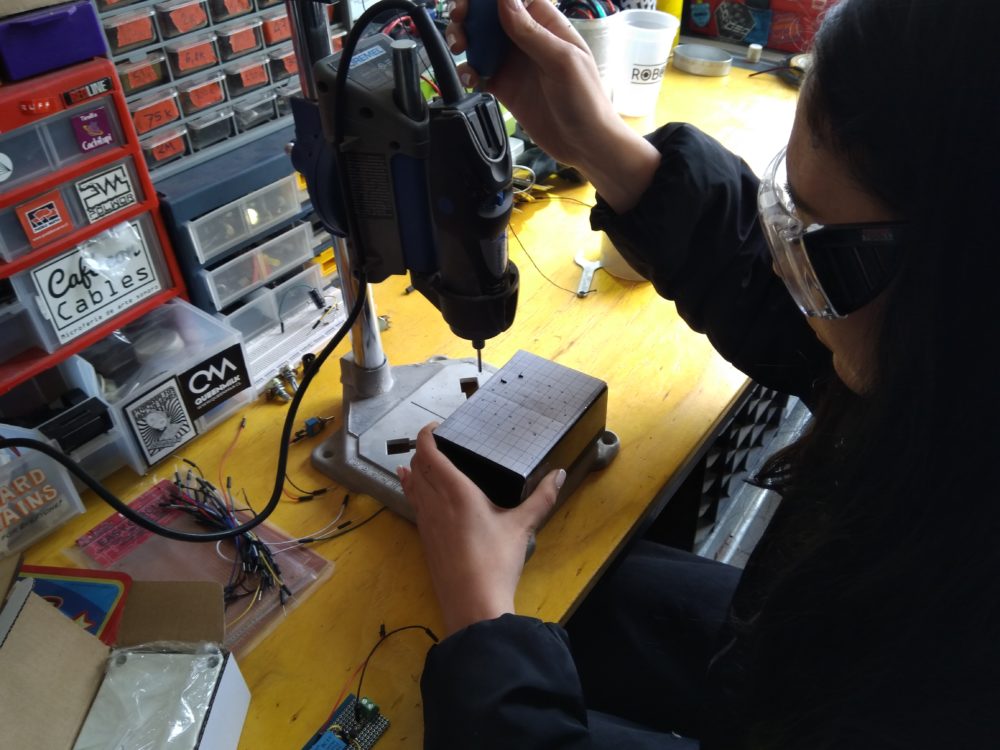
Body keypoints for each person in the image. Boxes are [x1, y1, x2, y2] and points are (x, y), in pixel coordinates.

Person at [395, 0, 1000, 746]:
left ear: (955, 286)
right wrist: (603, 147)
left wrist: (481, 621)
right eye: (789, 212)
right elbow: (796, 314)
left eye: (819, 249)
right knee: (590, 594)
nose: (784, 267)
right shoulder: (948, 378)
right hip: (801, 644)